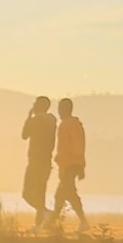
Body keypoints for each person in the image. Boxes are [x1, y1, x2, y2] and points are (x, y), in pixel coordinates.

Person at [51, 98, 87, 229]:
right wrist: (81, 165)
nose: (59, 111)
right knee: (61, 195)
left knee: (69, 193)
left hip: (68, 165)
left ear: (66, 109)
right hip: (74, 164)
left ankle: (83, 221)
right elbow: (80, 147)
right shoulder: (77, 125)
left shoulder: (66, 125)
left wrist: (63, 166)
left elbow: (65, 148)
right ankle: (51, 222)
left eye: (60, 108)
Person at [20, 95, 55, 226]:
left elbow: (24, 135)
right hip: (47, 161)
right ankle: (39, 224)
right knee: (41, 193)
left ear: (38, 106)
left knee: (27, 194)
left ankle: (45, 212)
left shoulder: (35, 121)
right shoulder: (52, 121)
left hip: (35, 161)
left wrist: (29, 117)